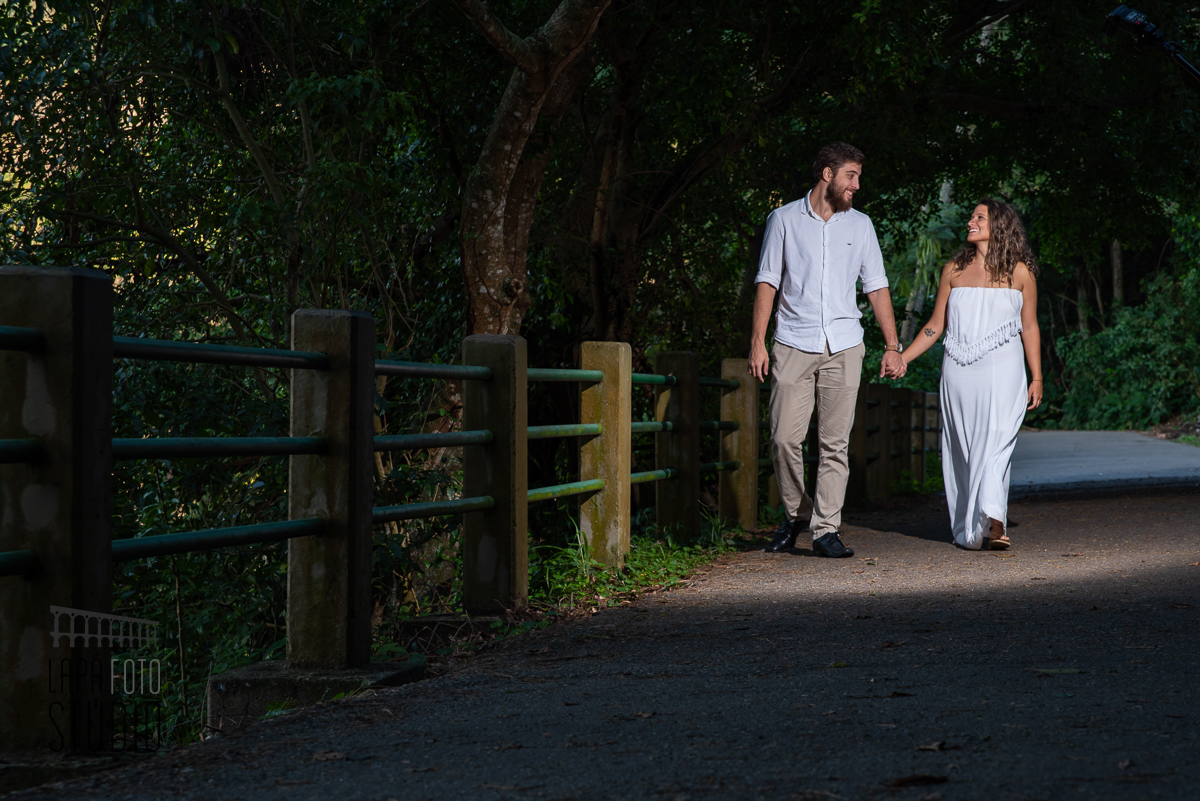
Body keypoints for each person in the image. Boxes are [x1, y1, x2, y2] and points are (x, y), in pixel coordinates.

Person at [749, 142, 905, 558]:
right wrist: (757, 342)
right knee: (784, 439)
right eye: (851, 176)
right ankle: (796, 514)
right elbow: (768, 280)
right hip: (792, 342)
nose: (857, 185)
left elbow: (876, 287)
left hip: (844, 344)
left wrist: (893, 346)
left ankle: (825, 530)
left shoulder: (861, 226)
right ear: (827, 175)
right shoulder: (782, 220)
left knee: (835, 445)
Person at [899, 198, 1043, 550]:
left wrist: (1036, 376)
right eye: (972, 216)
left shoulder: (1020, 273)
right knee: (964, 449)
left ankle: (994, 520)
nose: (970, 221)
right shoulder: (953, 269)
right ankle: (973, 524)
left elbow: (1030, 326)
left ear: (999, 225)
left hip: (1004, 371)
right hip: (959, 370)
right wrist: (904, 358)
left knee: (997, 443)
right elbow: (935, 326)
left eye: (980, 217)